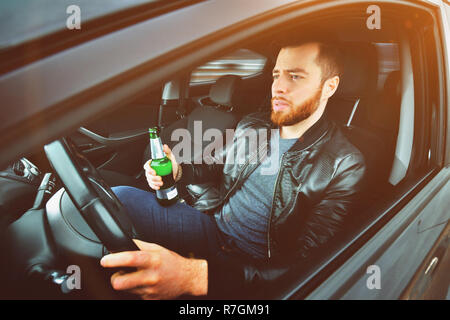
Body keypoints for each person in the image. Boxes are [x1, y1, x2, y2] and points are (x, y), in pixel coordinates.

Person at [100, 40, 367, 299]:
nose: (279, 87)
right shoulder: (253, 125)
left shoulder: (344, 164)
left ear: (329, 86)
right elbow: (213, 165)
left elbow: (309, 265)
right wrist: (178, 170)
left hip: (256, 265)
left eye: (295, 76)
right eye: (276, 75)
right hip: (214, 229)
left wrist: (195, 276)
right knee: (115, 200)